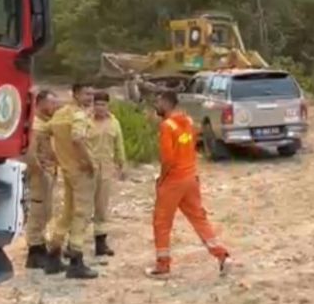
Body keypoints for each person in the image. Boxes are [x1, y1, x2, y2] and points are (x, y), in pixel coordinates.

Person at [146, 91, 230, 279]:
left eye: (158, 102)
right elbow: (191, 147)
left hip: (174, 180)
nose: (156, 106)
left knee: (162, 222)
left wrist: (161, 179)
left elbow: (168, 159)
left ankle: (163, 265)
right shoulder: (189, 121)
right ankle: (221, 254)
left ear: (167, 103)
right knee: (199, 219)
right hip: (191, 178)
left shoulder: (167, 126)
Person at [42, 83, 99, 279]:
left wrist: (53, 155)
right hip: (81, 172)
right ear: (75, 94)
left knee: (67, 212)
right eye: (86, 93)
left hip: (67, 170)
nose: (90, 97)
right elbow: (77, 138)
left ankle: (53, 255)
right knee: (82, 214)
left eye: (92, 93)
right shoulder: (79, 115)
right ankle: (76, 260)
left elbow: (43, 131)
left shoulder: (59, 114)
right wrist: (88, 162)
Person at [87, 90, 127, 258]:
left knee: (102, 208)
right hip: (88, 170)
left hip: (106, 170)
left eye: (103, 104)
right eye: (97, 104)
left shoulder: (114, 123)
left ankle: (100, 243)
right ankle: (73, 245)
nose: (99, 108)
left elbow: (119, 145)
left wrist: (122, 164)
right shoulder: (86, 122)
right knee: (83, 207)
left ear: (107, 106)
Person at [24, 87, 60, 269]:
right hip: (41, 174)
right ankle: (34, 250)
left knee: (46, 210)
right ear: (41, 103)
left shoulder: (47, 124)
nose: (55, 106)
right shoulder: (36, 126)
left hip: (50, 171)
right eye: (51, 102)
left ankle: (40, 244)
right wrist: (39, 171)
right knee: (38, 210)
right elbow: (30, 153)